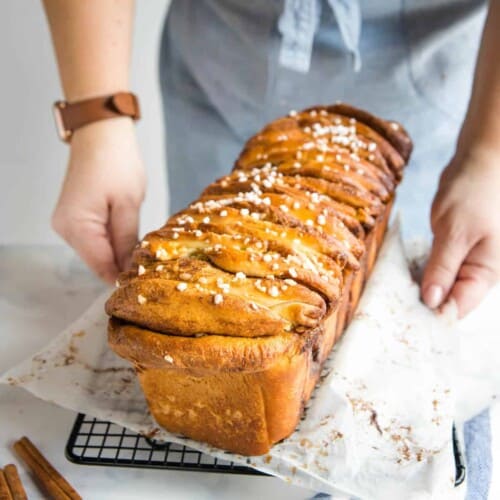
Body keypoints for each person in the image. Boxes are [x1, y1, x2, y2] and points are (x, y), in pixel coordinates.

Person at [41, 0, 500, 320]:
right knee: (202, 287)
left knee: (398, 299)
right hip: (220, 60)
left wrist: (488, 153)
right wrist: (98, 119)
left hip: (427, 93)